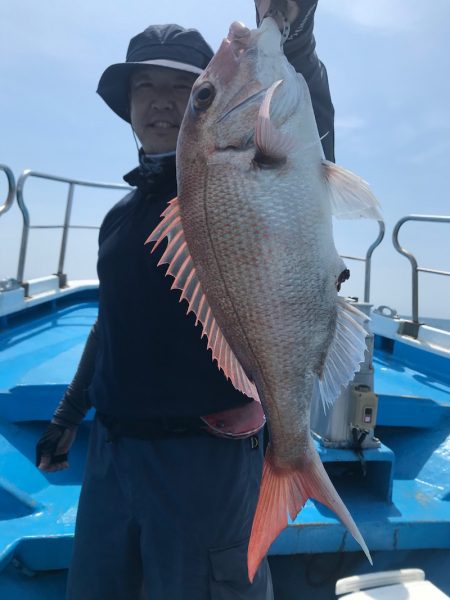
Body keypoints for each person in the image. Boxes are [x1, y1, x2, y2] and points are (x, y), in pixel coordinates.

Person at [36, 2, 334, 598]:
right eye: (144, 85)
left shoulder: (246, 167)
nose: (161, 101)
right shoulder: (119, 218)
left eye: (186, 89)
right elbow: (111, 322)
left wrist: (293, 33)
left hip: (206, 461)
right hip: (112, 457)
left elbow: (308, 130)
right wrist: (70, 414)